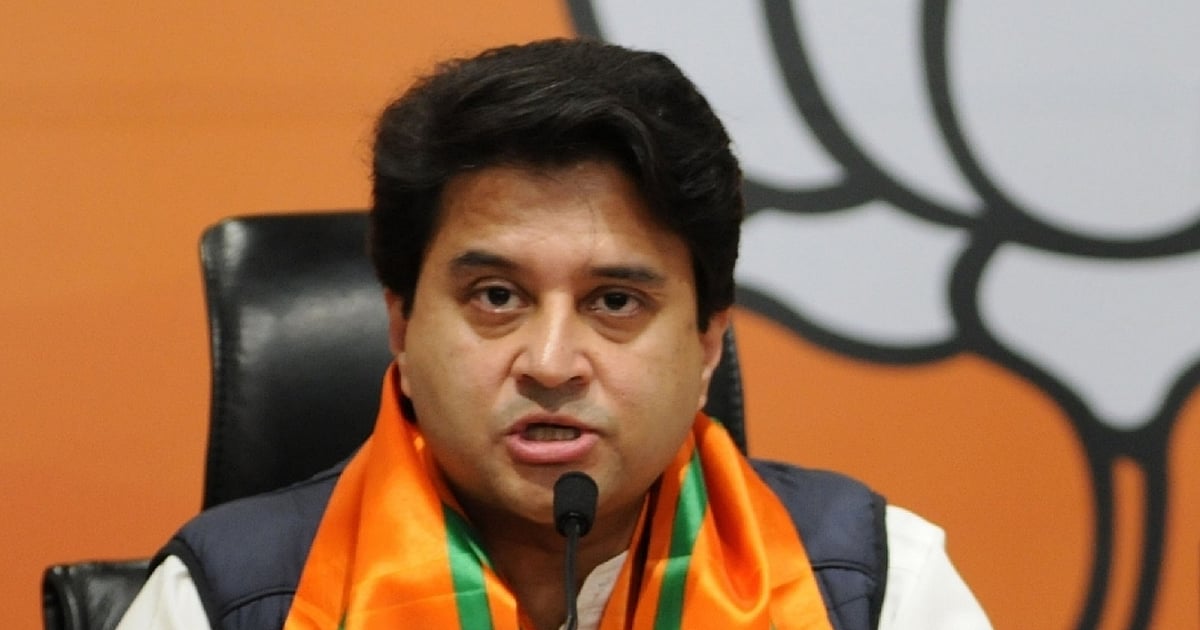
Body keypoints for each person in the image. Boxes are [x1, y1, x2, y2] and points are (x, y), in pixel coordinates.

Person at [116, 38, 991, 630]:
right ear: (402, 327)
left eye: (615, 302)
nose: (550, 363)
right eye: (497, 296)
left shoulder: (874, 590)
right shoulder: (226, 604)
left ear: (706, 344)